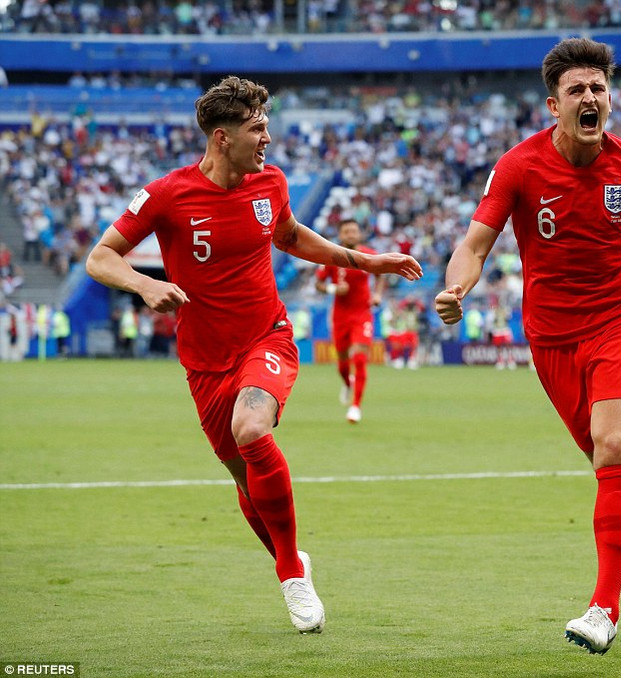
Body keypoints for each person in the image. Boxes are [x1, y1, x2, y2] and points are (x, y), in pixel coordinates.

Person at [85, 76, 422, 634]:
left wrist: (362, 261)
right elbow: (100, 257)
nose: (267, 138)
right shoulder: (167, 194)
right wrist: (145, 285)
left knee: (251, 426)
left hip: (267, 337)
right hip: (203, 360)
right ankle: (291, 558)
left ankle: (290, 572)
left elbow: (288, 236)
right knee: (246, 481)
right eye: (257, 128)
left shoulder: (271, 183)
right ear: (221, 138)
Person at [434, 38, 621, 655]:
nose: (590, 97)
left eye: (598, 87)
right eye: (577, 90)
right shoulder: (519, 166)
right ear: (554, 105)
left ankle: (604, 608)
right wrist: (456, 287)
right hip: (550, 337)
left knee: (613, 444)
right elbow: (476, 241)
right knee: (603, 454)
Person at [315, 218, 387, 423]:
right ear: (341, 235)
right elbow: (318, 283)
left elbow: (381, 274)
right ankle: (347, 383)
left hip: (362, 313)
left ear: (359, 234)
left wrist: (377, 295)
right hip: (340, 315)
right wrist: (333, 288)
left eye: (354, 231)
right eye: (346, 231)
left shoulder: (369, 255)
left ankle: (355, 406)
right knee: (343, 364)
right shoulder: (331, 256)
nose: (351, 234)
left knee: (360, 359)